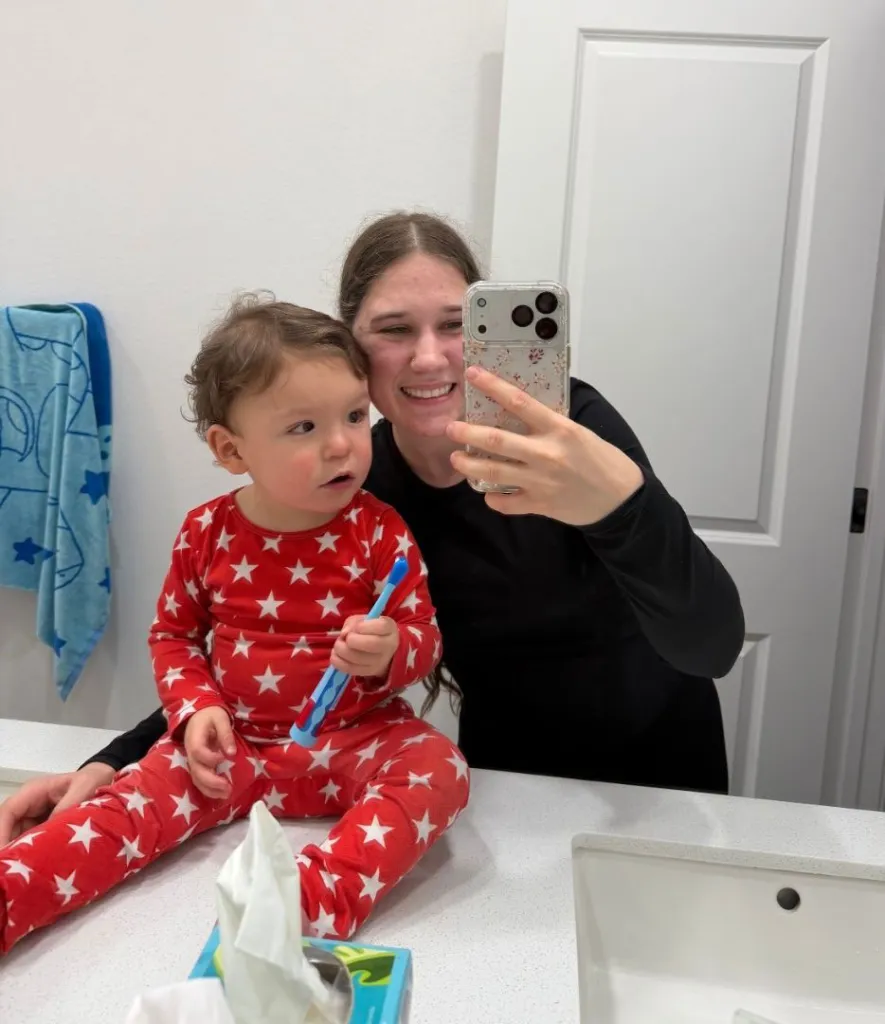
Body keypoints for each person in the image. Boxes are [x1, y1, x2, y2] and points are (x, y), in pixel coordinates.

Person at [0, 210, 744, 849]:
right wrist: (114, 762)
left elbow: (708, 644)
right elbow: (257, 653)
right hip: (507, 782)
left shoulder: (565, 429)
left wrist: (616, 505)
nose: (429, 356)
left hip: (660, 779)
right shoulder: (359, 491)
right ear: (355, 352)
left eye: (456, 325)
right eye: (394, 330)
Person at [0, 297, 468, 954]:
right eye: (304, 426)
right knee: (108, 815)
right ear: (229, 448)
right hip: (225, 752)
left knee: (438, 765)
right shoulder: (206, 532)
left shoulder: (379, 530)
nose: (342, 443)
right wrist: (194, 710)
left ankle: (310, 901)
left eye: (356, 416)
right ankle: (12, 892)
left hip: (352, 742)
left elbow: (424, 636)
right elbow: (173, 637)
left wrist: (392, 649)